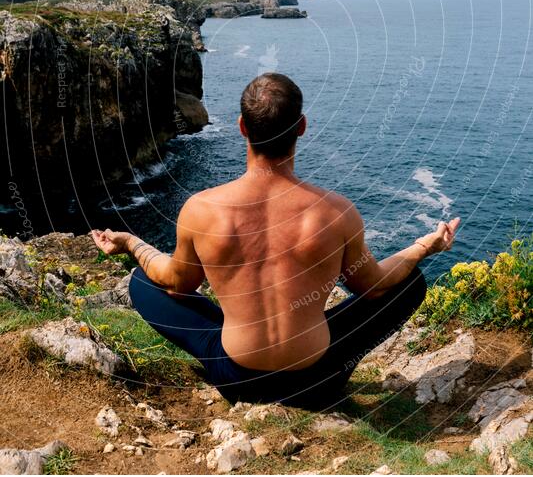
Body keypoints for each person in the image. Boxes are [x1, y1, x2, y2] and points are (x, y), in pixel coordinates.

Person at [91, 73, 460, 408]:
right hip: (317, 379)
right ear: (301, 127)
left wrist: (132, 244)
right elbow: (373, 286)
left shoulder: (201, 210)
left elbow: (177, 282)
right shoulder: (336, 212)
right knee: (408, 281)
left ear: (241, 127)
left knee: (143, 280)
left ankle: (240, 335)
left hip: (236, 379)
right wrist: (424, 246)